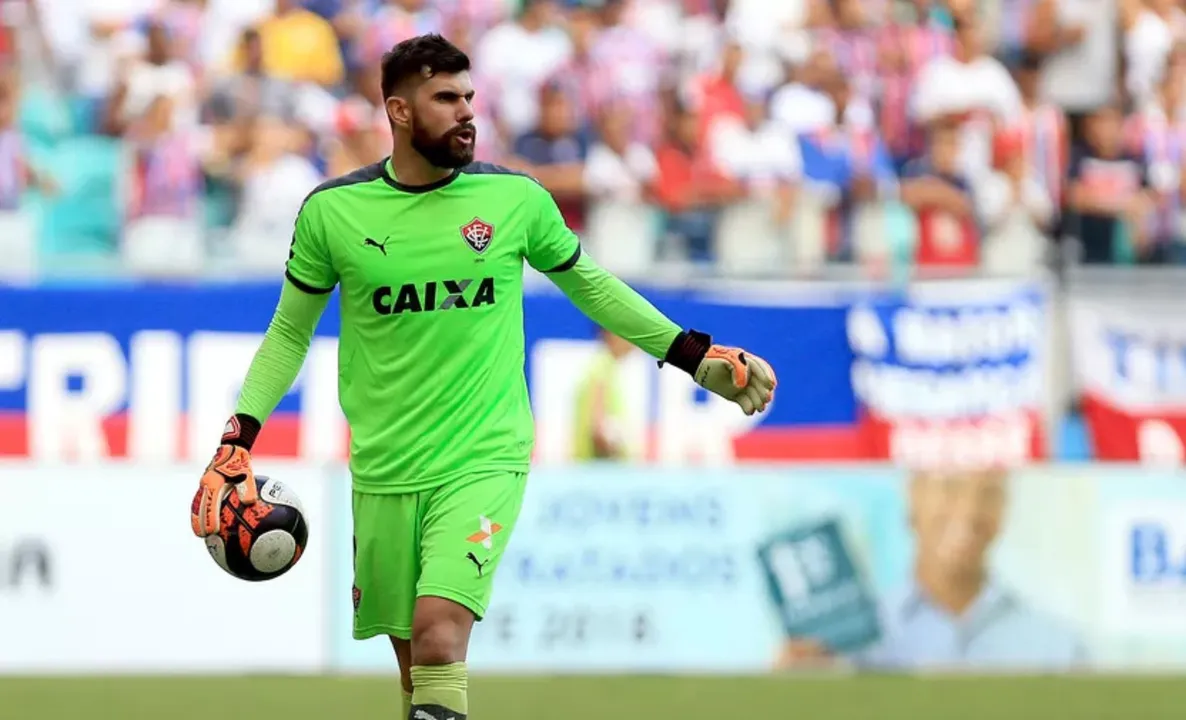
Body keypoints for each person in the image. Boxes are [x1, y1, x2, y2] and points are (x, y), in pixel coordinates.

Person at [189, 34, 777, 720]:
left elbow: (590, 285)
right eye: (447, 99)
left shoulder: (513, 200)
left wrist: (695, 355)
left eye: (470, 97)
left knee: (440, 633)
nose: (467, 112)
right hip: (384, 468)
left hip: (483, 456)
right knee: (417, 676)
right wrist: (237, 440)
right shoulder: (332, 213)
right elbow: (289, 332)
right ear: (400, 112)